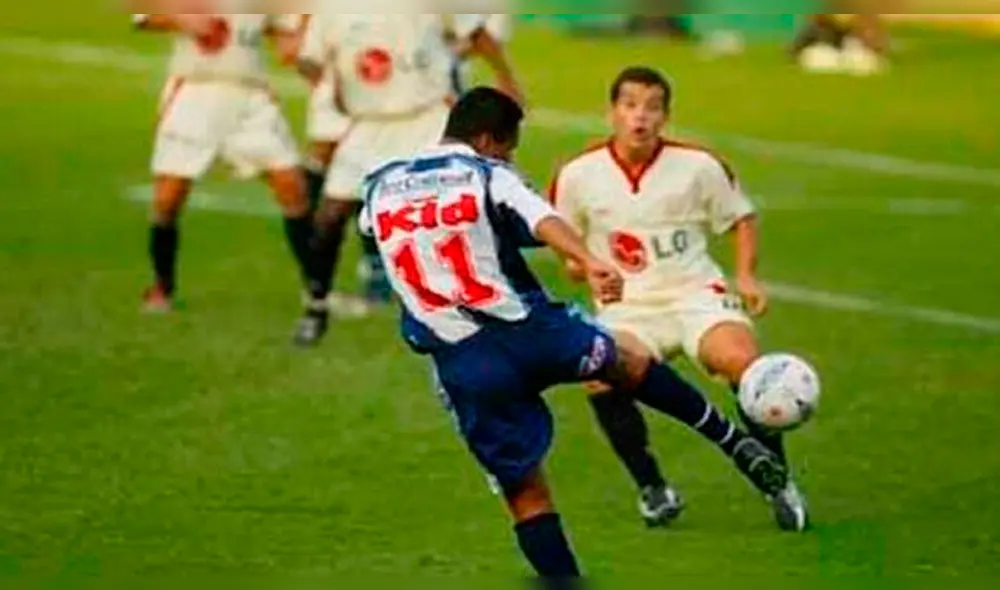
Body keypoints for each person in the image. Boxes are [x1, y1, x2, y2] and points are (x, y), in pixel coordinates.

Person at [358, 87, 790, 579]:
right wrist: (588, 260)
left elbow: (377, 237)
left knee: (526, 494)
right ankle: (732, 441)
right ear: (486, 140)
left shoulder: (379, 187)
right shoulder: (486, 173)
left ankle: (565, 581)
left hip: (465, 362)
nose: (511, 157)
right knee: (623, 361)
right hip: (531, 331)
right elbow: (541, 219)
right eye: (509, 147)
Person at [550, 66, 809, 531]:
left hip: (697, 296)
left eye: (652, 107)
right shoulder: (577, 174)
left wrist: (746, 276)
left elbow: (741, 218)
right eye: (630, 105)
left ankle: (778, 481)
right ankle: (652, 487)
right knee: (598, 373)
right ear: (612, 112)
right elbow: (561, 235)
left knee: (742, 362)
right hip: (629, 307)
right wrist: (582, 266)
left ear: (665, 116)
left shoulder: (699, 166)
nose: (640, 117)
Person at [291, 13, 521, 346]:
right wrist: (330, 77)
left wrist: (506, 78)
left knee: (469, 206)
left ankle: (498, 299)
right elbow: (308, 60)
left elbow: (475, 31)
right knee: (329, 216)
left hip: (427, 117)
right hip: (369, 123)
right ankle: (316, 306)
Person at [134, 11, 313, 312]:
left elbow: (286, 36)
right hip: (194, 91)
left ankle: (317, 290)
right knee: (169, 196)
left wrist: (301, 40)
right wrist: (183, 19)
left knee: (291, 185)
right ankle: (162, 287)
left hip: (251, 97)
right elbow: (143, 17)